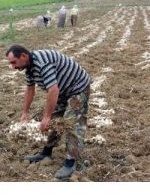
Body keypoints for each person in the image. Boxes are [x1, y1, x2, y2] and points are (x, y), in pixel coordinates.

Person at [6, 45, 90, 179]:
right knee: (54, 121)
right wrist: (25, 112)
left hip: (77, 89)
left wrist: (46, 116)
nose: (13, 66)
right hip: (63, 91)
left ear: (23, 56)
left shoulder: (42, 63)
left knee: (71, 124)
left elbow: (53, 90)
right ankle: (46, 152)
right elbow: (30, 90)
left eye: (13, 62)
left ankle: (71, 162)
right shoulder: (28, 68)